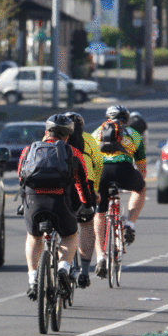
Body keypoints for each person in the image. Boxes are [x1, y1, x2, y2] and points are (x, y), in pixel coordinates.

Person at [18, 114, 94, 301]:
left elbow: (21, 178)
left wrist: (24, 203)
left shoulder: (29, 149)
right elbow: (81, 182)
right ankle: (63, 268)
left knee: (33, 237)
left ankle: (33, 279)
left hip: (34, 202)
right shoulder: (72, 152)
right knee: (70, 235)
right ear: (67, 136)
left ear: (46, 132)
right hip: (59, 202)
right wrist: (86, 204)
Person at [91, 105, 147, 278]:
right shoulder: (133, 134)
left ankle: (101, 257)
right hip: (124, 170)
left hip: (102, 173)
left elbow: (91, 160)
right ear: (126, 119)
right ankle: (129, 224)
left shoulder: (96, 133)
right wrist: (138, 179)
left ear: (108, 117)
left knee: (100, 215)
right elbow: (142, 166)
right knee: (141, 188)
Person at [63, 112, 103, 289]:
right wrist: (95, 191)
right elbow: (98, 164)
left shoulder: (52, 138)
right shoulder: (89, 139)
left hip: (59, 188)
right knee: (86, 226)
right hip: (84, 187)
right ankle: (85, 273)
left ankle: (57, 264)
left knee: (61, 228)